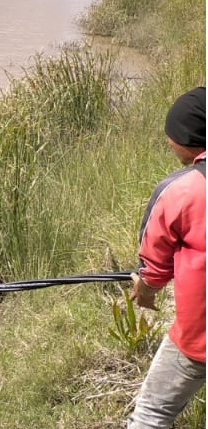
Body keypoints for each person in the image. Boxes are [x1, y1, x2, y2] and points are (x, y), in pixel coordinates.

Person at [128, 86, 205, 429]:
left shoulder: (181, 190)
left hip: (200, 336)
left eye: (170, 136)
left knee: (151, 414)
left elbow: (154, 266)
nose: (167, 143)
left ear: (189, 141)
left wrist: (144, 290)